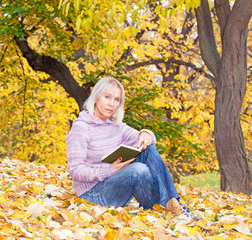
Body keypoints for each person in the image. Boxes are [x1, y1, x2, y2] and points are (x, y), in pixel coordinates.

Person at [66, 76, 197, 219]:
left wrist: (146, 133)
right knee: (138, 170)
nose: (111, 104)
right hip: (91, 193)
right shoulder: (81, 128)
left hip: (115, 185)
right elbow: (76, 171)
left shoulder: (115, 125)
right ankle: (166, 208)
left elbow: (145, 139)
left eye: (116, 100)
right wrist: (110, 170)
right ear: (96, 97)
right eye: (107, 97)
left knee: (146, 149)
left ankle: (172, 205)